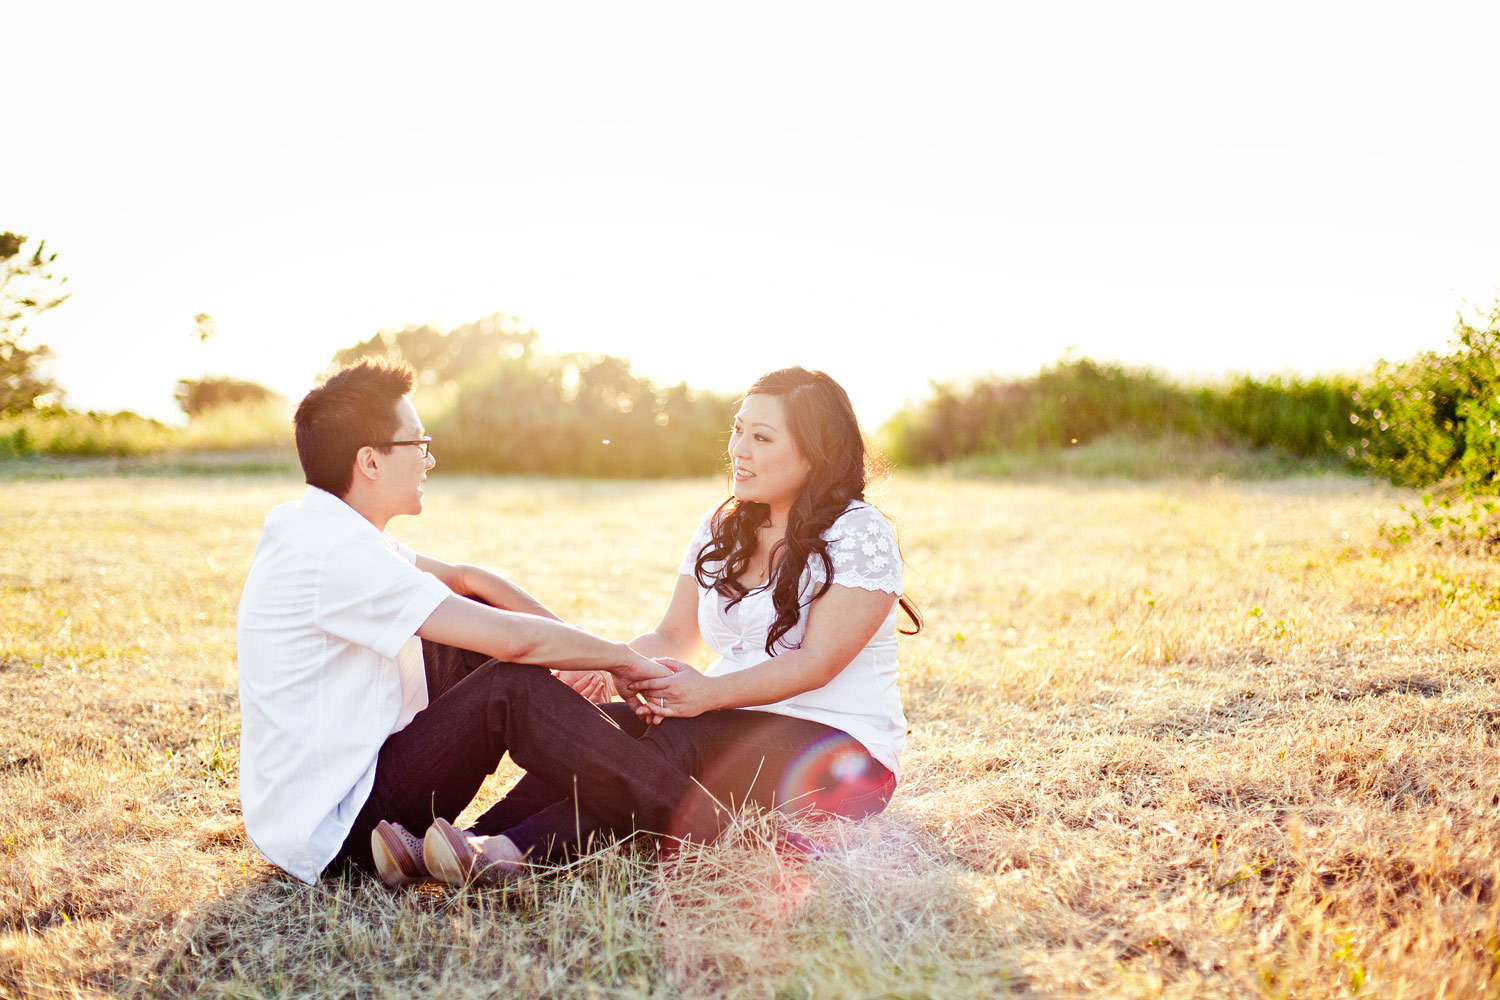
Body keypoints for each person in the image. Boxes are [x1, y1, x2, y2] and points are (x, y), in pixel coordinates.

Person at [236, 359, 726, 888]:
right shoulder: (336, 554)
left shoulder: (315, 525)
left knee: (514, 668)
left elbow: (467, 580)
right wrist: (622, 659)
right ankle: (706, 825)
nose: (430, 459)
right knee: (509, 685)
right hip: (338, 832)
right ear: (370, 462)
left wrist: (588, 670)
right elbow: (515, 643)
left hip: (346, 795)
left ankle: (475, 843)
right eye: (418, 445)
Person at [447, 366, 921, 869]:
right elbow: (674, 635)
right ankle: (474, 838)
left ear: (815, 453)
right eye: (738, 429)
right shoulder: (724, 524)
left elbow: (818, 661)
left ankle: (512, 851)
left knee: (673, 738)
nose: (739, 449)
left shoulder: (859, 533)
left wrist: (709, 695)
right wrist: (612, 664)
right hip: (727, 722)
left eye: (761, 437)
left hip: (842, 753)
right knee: (598, 727)